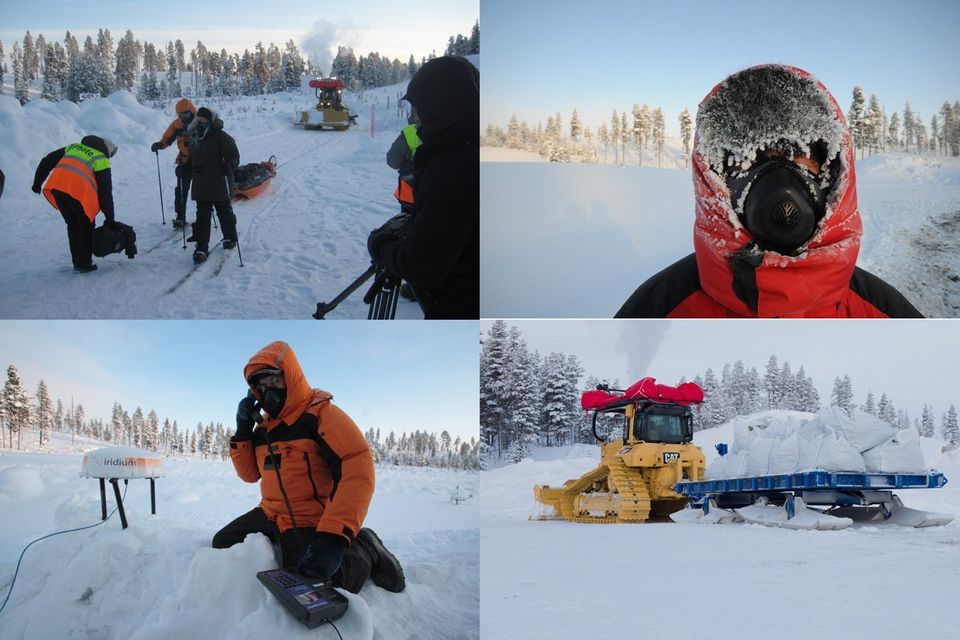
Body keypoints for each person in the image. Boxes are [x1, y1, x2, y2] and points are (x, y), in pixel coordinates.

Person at [616, 64, 922, 318]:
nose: (781, 181)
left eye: (801, 155)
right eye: (755, 158)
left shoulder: (885, 314)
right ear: (717, 179)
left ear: (831, 174)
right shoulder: (655, 312)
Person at [212, 341, 405, 594]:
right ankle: (284, 544)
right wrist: (242, 432)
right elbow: (249, 475)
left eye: (273, 381)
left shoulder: (321, 414)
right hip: (270, 513)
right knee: (222, 544)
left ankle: (366, 546)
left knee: (318, 586)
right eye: (261, 387)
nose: (267, 391)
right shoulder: (265, 428)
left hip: (311, 516)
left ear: (290, 377)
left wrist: (333, 537)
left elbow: (356, 468)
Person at [367, 55, 479, 319]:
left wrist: (380, 246)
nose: (414, 117)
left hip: (455, 305)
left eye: (418, 108)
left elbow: (423, 267)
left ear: (436, 107)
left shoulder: (451, 167)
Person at [32, 135, 120, 273]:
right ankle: (83, 264)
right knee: (86, 225)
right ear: (107, 150)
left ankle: (78, 262)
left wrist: (37, 182)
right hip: (77, 194)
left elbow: (47, 160)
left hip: (57, 188)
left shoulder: (73, 147)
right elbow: (105, 192)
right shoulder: (101, 159)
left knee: (73, 225)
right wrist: (110, 218)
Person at [187, 107, 239, 264]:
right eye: (199, 119)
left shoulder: (222, 137)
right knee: (202, 217)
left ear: (211, 120)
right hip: (202, 184)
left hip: (219, 182)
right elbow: (193, 158)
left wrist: (228, 166)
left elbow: (234, 156)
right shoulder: (195, 136)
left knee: (224, 213)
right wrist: (185, 167)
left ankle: (230, 238)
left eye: (204, 119)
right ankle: (201, 248)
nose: (201, 121)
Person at [385, 106, 422, 301]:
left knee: (416, 239)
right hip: (450, 197)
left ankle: (417, 286)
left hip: (413, 197)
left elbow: (392, 160)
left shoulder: (411, 132)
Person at [151, 98, 198, 229]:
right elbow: (167, 139)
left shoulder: (201, 122)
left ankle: (203, 217)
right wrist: (160, 145)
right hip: (185, 160)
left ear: (191, 112)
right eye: (180, 115)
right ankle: (180, 218)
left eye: (185, 114)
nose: (183, 117)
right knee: (181, 190)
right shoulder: (176, 125)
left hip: (201, 161)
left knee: (201, 191)